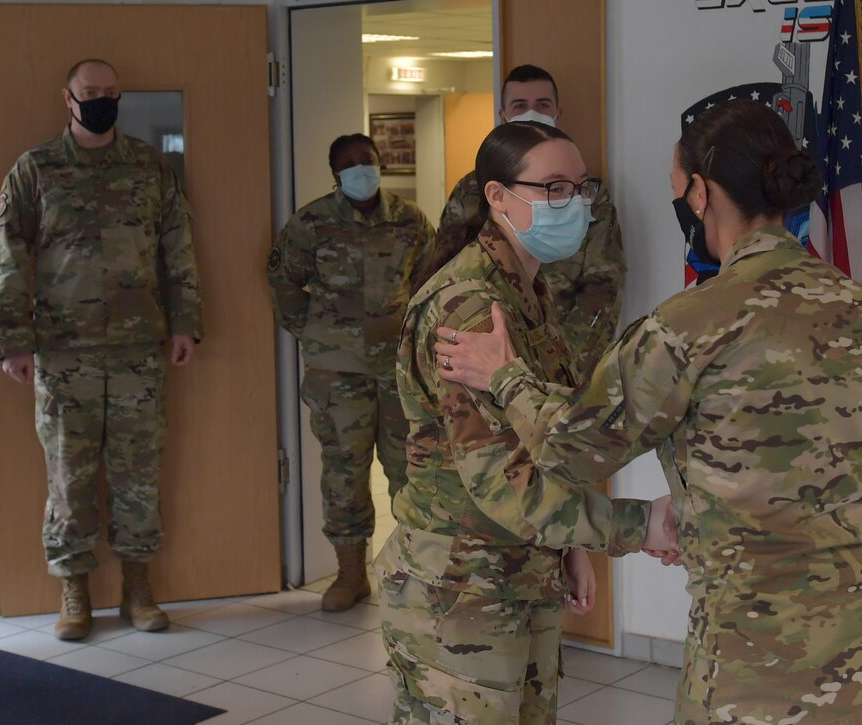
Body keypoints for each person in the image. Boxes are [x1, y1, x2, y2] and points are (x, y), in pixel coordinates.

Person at [434, 100, 862, 724]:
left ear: (700, 193)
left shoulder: (688, 326)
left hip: (751, 671)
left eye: (677, 189)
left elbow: (571, 449)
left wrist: (503, 376)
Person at [377, 120, 676, 724]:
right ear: (497, 196)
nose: (574, 205)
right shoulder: (466, 307)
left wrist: (567, 545)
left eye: (581, 189)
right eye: (554, 189)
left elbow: (543, 441)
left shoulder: (525, 291)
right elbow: (498, 479)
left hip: (519, 571)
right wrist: (637, 524)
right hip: (462, 588)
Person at [0, 58, 202, 641]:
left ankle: (138, 587)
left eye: (110, 92)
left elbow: (177, 249)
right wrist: (13, 340)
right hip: (62, 354)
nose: (101, 100)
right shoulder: (35, 170)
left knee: (139, 474)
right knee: (69, 476)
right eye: (91, 92)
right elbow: (8, 259)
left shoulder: (149, 167)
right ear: (69, 97)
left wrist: (186, 321)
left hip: (139, 350)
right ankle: (74, 592)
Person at [267, 133, 436, 612]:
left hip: (398, 370)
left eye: (368, 161)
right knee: (345, 471)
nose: (361, 170)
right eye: (350, 165)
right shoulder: (311, 224)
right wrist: (315, 332)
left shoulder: (409, 220)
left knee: (411, 470)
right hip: (336, 373)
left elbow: (430, 280)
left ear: (380, 164)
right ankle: (350, 573)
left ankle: (413, 571)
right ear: (335, 175)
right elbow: (283, 281)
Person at [436, 64, 625, 379]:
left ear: (557, 113)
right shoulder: (468, 296)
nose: (532, 113)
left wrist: (566, 362)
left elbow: (604, 284)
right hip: (497, 350)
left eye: (542, 105)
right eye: (520, 106)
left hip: (563, 349)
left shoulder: (589, 193)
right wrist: (514, 371)